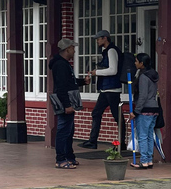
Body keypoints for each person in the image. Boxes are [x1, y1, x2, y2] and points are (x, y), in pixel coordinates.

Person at [80, 30, 122, 149]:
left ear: (105, 38)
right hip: (105, 89)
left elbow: (113, 70)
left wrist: (96, 72)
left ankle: (122, 143)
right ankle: (92, 141)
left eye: (99, 39)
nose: (97, 41)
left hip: (112, 89)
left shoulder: (112, 50)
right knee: (96, 113)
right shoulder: (106, 51)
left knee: (117, 117)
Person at [48, 38, 86, 169]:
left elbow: (69, 81)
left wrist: (82, 82)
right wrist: (67, 105)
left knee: (69, 131)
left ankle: (69, 156)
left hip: (67, 102)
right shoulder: (61, 65)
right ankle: (61, 159)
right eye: (73, 48)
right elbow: (62, 87)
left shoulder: (63, 64)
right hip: (65, 103)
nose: (74, 51)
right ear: (67, 49)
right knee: (63, 131)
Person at [129, 53, 159, 169]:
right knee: (149, 135)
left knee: (142, 135)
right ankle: (149, 160)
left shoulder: (143, 77)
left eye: (136, 61)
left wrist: (136, 111)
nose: (135, 63)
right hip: (154, 108)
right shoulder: (153, 75)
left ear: (142, 63)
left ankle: (144, 161)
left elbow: (142, 96)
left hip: (145, 109)